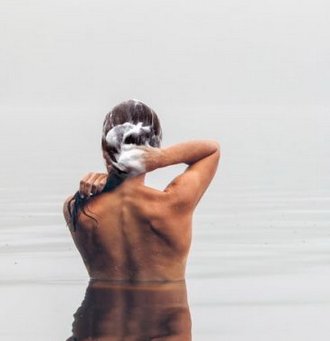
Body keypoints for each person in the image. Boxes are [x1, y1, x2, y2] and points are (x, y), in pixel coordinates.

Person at [63, 99, 220, 282]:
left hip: (96, 311)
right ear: (153, 150)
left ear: (104, 149)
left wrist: (109, 182)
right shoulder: (174, 204)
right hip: (165, 311)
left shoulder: (76, 209)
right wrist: (163, 157)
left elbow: (119, 195)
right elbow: (212, 150)